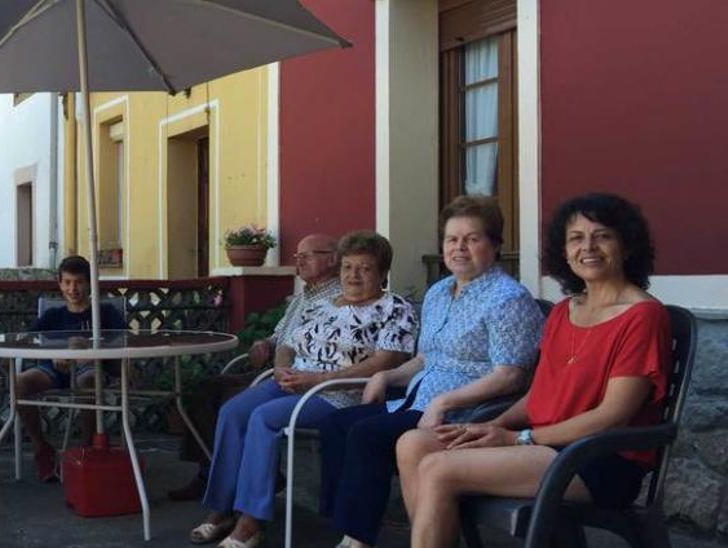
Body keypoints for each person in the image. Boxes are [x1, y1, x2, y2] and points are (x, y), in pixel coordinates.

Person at [397, 193, 670, 548]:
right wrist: (491, 426)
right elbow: (537, 395)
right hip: (543, 445)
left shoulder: (643, 316)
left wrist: (517, 438)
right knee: (414, 443)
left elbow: (612, 415)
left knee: (438, 469)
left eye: (602, 236)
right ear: (564, 249)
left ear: (626, 245)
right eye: (576, 237)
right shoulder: (563, 311)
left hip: (598, 458)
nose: (588, 247)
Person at [315, 196, 544, 548]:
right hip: (417, 400)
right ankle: (346, 524)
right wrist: (386, 377)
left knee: (367, 435)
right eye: (452, 240)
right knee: (335, 424)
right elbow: (426, 358)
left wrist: (445, 401)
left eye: (472, 239)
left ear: (495, 245)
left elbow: (511, 375)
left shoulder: (507, 298)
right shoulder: (439, 292)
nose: (459, 248)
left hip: (468, 411)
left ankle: (357, 537)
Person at [191, 231, 418, 548]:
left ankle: (251, 521)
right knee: (233, 411)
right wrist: (283, 365)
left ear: (382, 273)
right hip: (296, 380)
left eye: (364, 269)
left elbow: (387, 361)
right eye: (348, 267)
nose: (353, 275)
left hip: (339, 391)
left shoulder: (394, 307)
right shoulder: (325, 306)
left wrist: (316, 380)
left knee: (264, 418)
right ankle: (223, 507)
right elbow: (289, 343)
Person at [169, 233, 342, 500]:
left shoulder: (339, 298)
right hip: (272, 369)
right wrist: (266, 342)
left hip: (297, 376)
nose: (300, 262)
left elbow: (308, 345)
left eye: (307, 256)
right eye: (297, 257)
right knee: (203, 390)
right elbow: (281, 335)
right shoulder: (302, 296)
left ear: (332, 259)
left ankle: (248, 479)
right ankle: (208, 470)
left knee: (229, 400)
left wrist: (280, 360)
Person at [15, 255, 127, 482]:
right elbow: (28, 341)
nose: (73, 288)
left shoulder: (104, 313)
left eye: (78, 282)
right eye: (67, 282)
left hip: (89, 370)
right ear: (60, 284)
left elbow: (125, 341)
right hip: (52, 371)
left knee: (89, 381)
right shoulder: (52, 315)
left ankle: (87, 449)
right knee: (19, 382)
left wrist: (90, 347)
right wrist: (55, 353)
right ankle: (42, 449)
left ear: (89, 283)